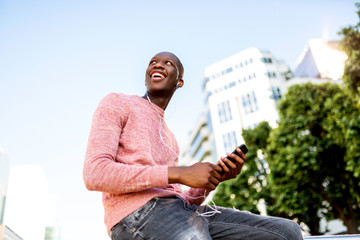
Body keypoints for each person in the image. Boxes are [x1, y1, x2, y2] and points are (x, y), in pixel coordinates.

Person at [83, 52, 303, 240]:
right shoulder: (117, 102)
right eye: (153, 62)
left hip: (183, 211)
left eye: (168, 63)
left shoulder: (170, 139)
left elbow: (180, 199)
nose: (158, 64)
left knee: (288, 232)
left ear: (179, 82)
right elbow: (95, 173)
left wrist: (211, 180)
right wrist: (180, 173)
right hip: (135, 215)